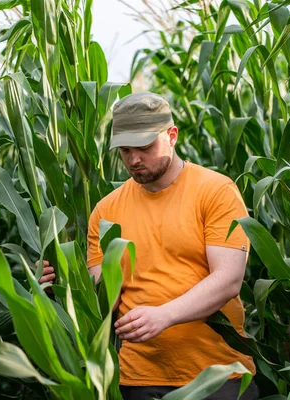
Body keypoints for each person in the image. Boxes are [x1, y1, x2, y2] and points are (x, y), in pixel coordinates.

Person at [39, 92, 258, 400]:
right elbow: (102, 297)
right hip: (138, 379)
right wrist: (60, 291)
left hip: (218, 375)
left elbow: (228, 280)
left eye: (144, 147)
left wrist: (163, 315)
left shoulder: (216, 192)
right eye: (125, 150)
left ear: (171, 135)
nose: (134, 159)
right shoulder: (105, 212)